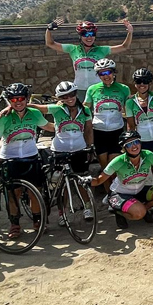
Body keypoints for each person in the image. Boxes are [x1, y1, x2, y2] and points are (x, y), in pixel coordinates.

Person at [0, 83, 55, 238]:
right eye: (13, 99)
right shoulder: (3, 118)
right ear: (9, 101)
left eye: (21, 99)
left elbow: (49, 127)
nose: (17, 102)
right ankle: (15, 224)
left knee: (35, 192)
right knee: (13, 194)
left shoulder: (34, 113)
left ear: (26, 99)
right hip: (9, 158)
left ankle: (37, 221)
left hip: (31, 156)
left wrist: (67, 124)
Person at [89, 130, 153, 229]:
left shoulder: (148, 155)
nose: (134, 146)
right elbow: (100, 180)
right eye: (129, 144)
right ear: (124, 148)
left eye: (136, 142)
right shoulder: (118, 161)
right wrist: (89, 181)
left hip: (139, 190)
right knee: (139, 213)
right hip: (120, 193)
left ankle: (144, 208)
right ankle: (119, 212)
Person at [44, 18, 132, 101]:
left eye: (92, 34)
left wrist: (130, 32)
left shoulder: (101, 50)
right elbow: (50, 43)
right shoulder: (73, 49)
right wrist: (49, 30)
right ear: (80, 36)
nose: (89, 37)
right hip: (79, 90)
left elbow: (124, 46)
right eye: (85, 34)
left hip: (97, 89)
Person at [48, 81, 95, 221]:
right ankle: (63, 212)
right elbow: (36, 108)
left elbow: (88, 130)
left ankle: (87, 207)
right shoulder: (56, 109)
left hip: (79, 149)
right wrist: (10, 107)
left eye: (72, 94)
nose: (69, 98)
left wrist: (90, 146)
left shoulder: (85, 110)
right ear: (59, 98)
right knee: (63, 184)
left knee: (81, 181)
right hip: (59, 150)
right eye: (64, 96)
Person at [124, 68, 153, 180]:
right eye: (139, 82)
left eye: (145, 82)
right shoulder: (130, 102)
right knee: (140, 170)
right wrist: (130, 141)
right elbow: (131, 124)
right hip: (142, 140)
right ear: (135, 84)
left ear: (149, 83)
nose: (142, 84)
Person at [85, 58, 131, 170]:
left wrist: (130, 131)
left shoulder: (124, 89)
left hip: (116, 131)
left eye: (108, 72)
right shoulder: (92, 89)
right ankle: (107, 188)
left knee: (113, 167)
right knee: (105, 167)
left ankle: (114, 187)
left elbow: (130, 111)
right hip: (99, 132)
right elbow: (85, 108)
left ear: (113, 72)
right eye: (101, 73)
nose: (106, 76)